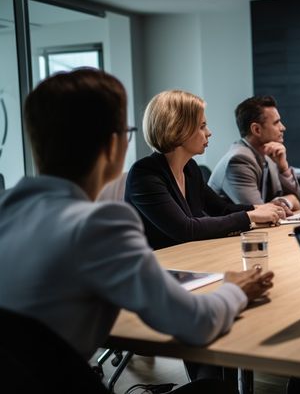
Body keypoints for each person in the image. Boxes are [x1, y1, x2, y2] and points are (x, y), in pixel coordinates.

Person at [0, 69, 275, 393]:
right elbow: (196, 324)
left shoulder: (7, 210)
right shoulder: (99, 225)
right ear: (114, 145)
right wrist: (236, 289)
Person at [126, 90, 287, 250]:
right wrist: (250, 216)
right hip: (150, 269)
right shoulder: (144, 175)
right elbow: (186, 229)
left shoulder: (190, 168)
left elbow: (221, 209)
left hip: (184, 261)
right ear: (178, 130)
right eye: (202, 126)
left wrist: (259, 208)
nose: (209, 133)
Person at [209, 95, 300, 211]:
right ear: (257, 130)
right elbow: (261, 214)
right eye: (276, 123)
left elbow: (299, 201)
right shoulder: (239, 160)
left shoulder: (269, 156)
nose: (283, 127)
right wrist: (288, 201)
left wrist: (283, 168)